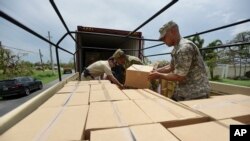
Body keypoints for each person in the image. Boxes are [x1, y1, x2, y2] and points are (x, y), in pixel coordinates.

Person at [148, 21, 210, 101]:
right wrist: (155, 71)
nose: (163, 41)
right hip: (183, 90)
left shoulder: (184, 48)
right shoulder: (176, 49)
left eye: (164, 37)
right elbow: (171, 66)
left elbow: (179, 76)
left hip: (196, 93)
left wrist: (158, 75)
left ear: (173, 31)